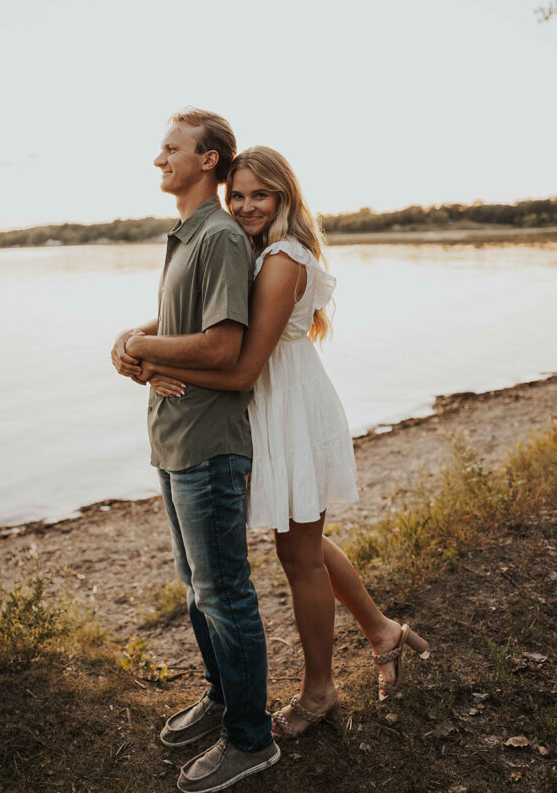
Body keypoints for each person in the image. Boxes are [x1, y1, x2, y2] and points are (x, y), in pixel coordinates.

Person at [137, 146, 430, 739]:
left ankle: (319, 693)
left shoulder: (281, 258)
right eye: (237, 194)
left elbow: (242, 370)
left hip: (287, 411)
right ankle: (382, 632)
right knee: (306, 544)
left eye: (259, 196)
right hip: (268, 409)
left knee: (298, 555)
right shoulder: (253, 251)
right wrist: (141, 343)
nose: (245, 205)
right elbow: (202, 328)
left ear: (284, 199)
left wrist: (152, 363)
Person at [111, 111, 280, 793]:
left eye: (171, 149)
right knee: (197, 589)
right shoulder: (186, 237)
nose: (159, 158)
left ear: (207, 159)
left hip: (209, 448)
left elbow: (220, 347)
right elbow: (177, 328)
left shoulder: (218, 236)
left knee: (225, 595)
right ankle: (220, 697)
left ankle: (250, 739)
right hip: (174, 441)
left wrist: (144, 350)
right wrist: (133, 343)